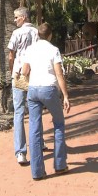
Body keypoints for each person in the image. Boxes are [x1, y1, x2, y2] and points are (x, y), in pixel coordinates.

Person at [19, 23, 71, 181]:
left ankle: (37, 172)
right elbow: (59, 74)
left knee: (34, 129)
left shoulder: (30, 49)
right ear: (50, 35)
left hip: (33, 90)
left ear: (38, 35)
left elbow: (25, 71)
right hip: (49, 89)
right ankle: (60, 164)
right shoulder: (53, 50)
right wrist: (66, 95)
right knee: (59, 124)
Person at [6, 5, 38, 166]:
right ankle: (37, 145)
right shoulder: (37, 32)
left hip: (18, 75)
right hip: (34, 75)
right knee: (34, 111)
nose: (14, 20)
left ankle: (20, 152)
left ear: (24, 17)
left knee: (18, 112)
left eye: (16, 17)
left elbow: (11, 54)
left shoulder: (16, 33)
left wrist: (13, 70)